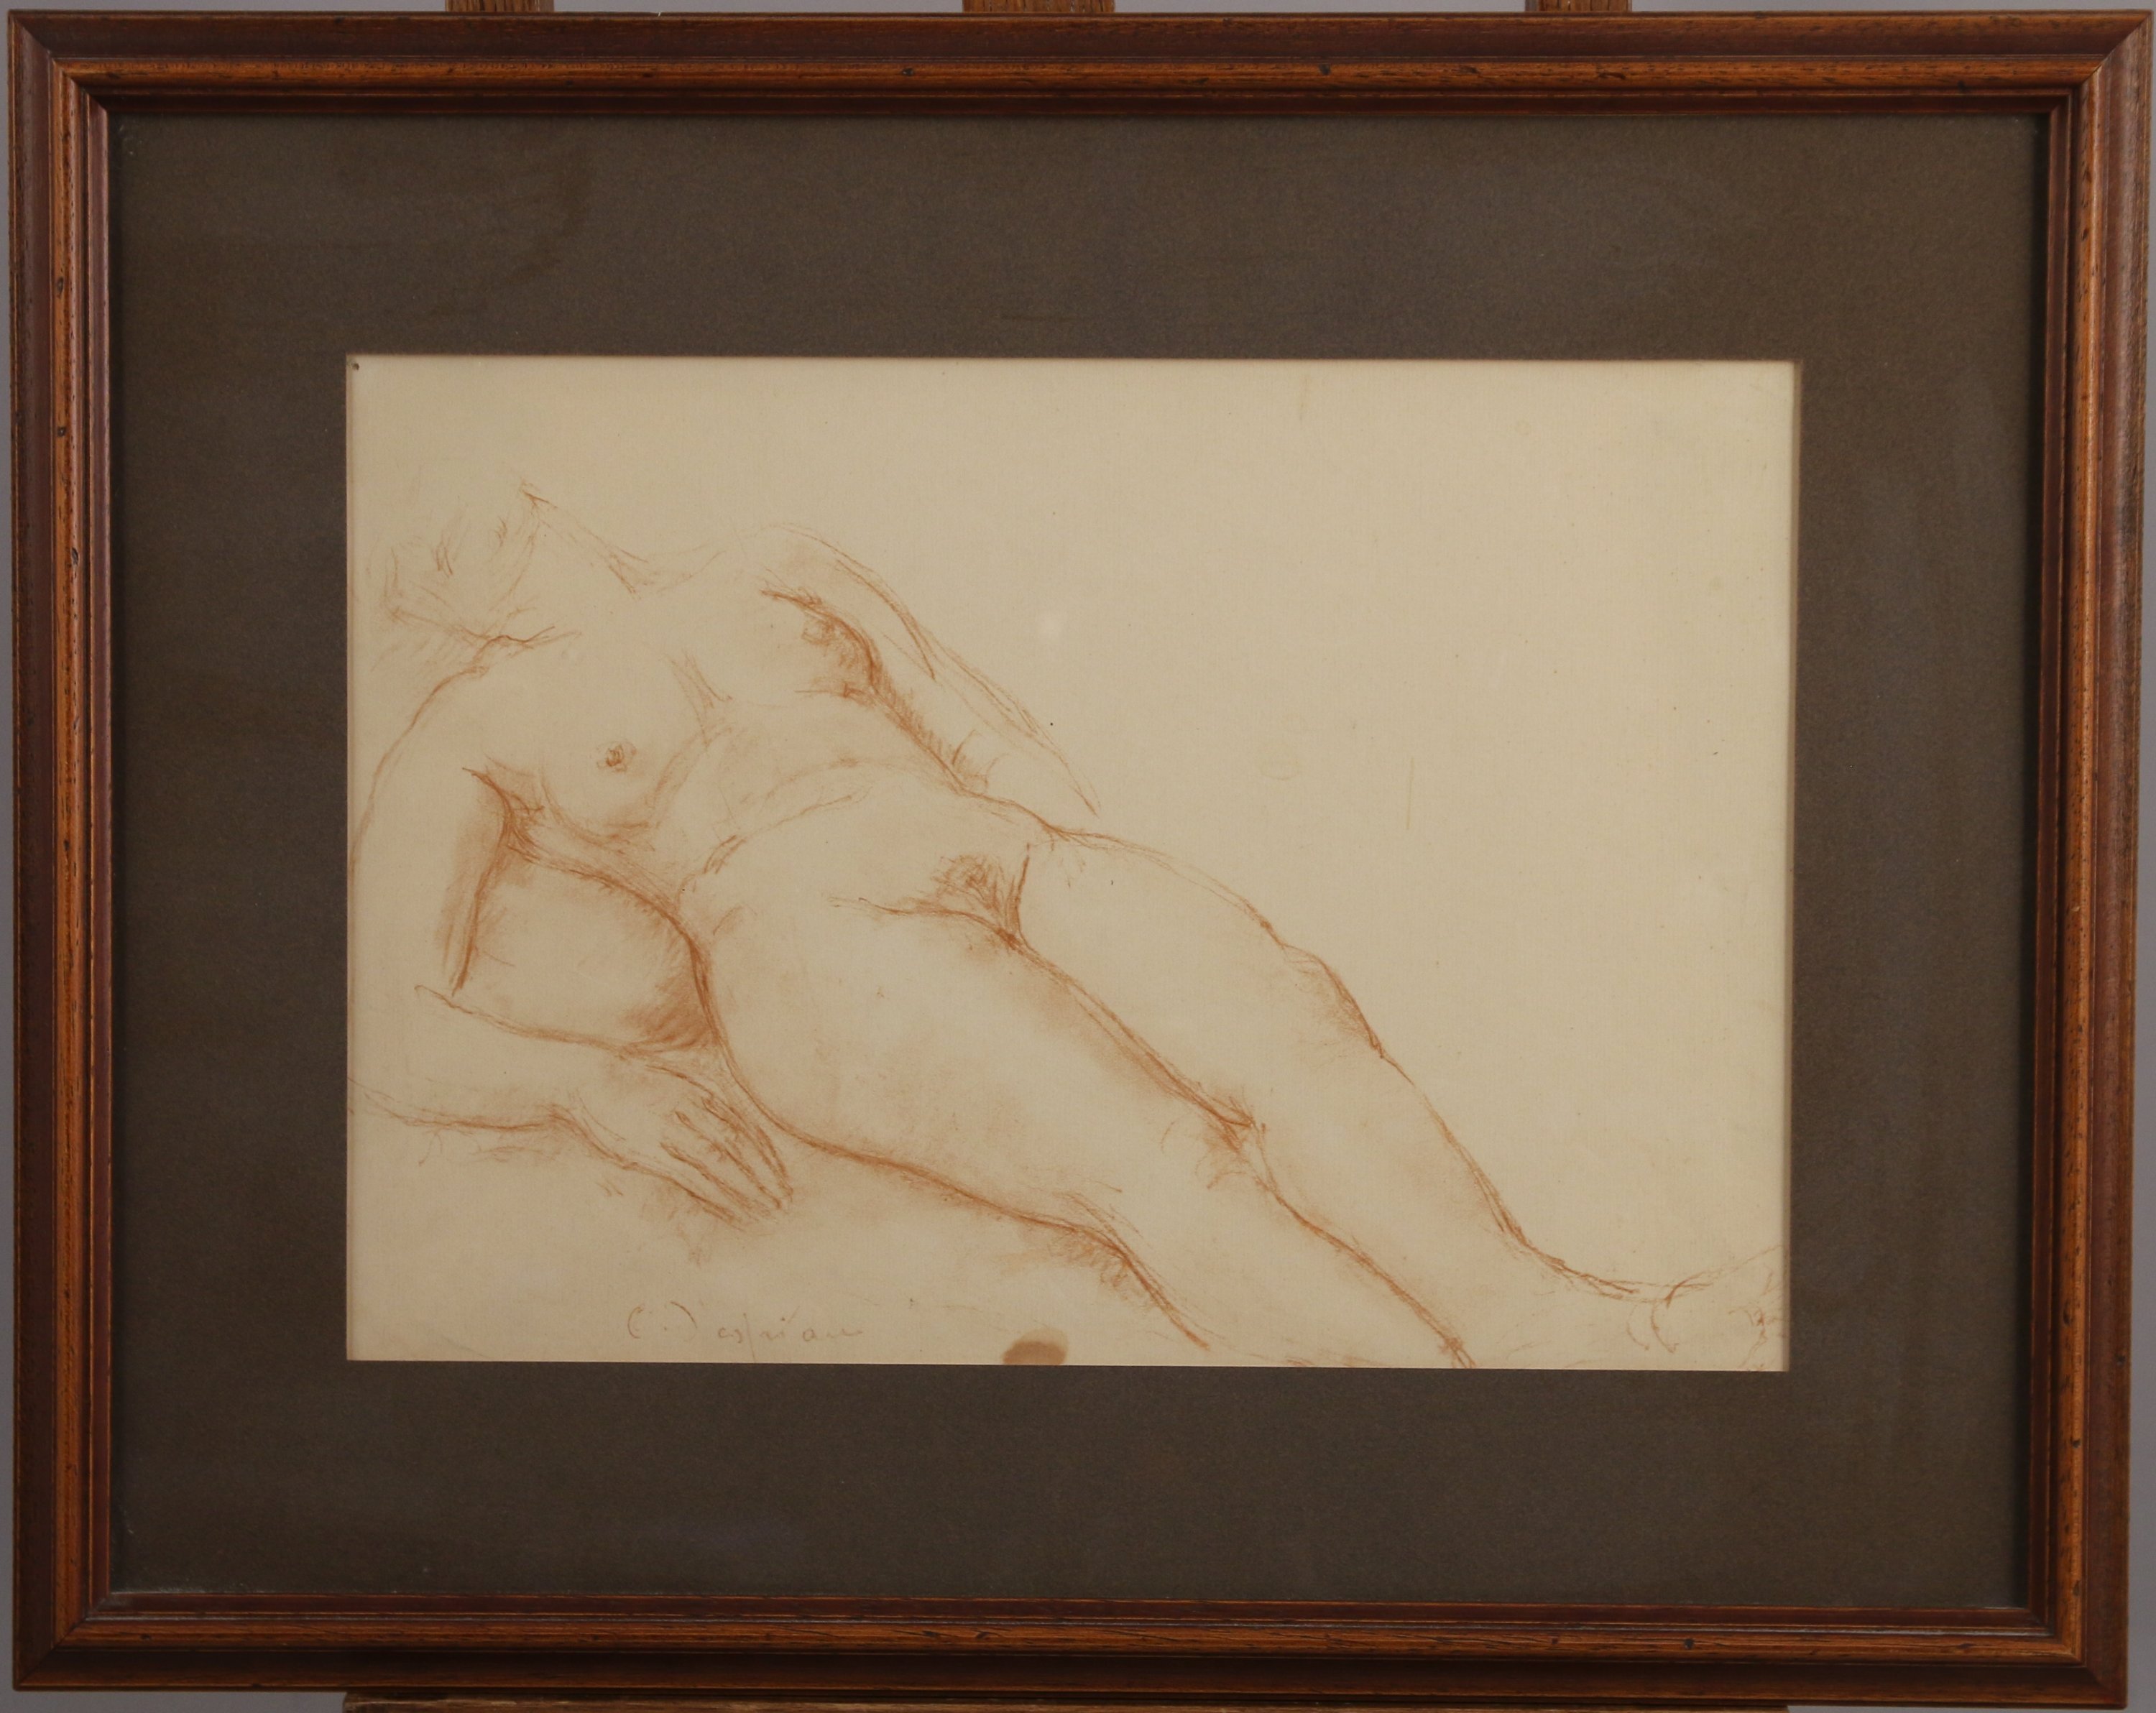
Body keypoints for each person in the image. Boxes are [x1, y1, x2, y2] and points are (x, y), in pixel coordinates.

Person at [350, 486, 1779, 1370]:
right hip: (808, 941)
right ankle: (1440, 1412)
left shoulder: (773, 560)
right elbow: (383, 1020)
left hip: (1007, 848)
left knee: (1299, 1034)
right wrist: (588, 1088)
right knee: (1161, 1159)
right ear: (419, 599)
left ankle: (1554, 1326)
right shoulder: (474, 724)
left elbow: (982, 726)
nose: (449, 524)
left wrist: (1075, 856)